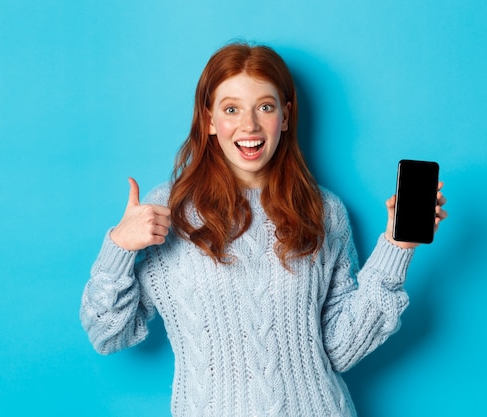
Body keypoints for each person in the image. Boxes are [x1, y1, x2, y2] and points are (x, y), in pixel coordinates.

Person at [80, 42, 447, 417]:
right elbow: (108, 335)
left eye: (265, 107)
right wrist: (119, 247)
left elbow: (340, 349)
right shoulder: (168, 210)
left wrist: (396, 248)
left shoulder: (324, 211)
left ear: (285, 116)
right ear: (209, 120)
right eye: (232, 109)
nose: (249, 125)